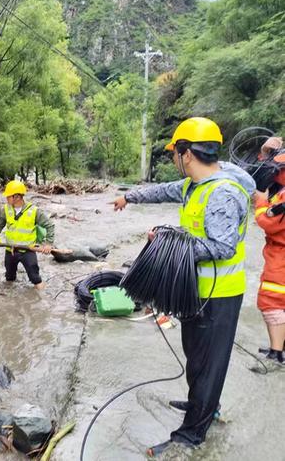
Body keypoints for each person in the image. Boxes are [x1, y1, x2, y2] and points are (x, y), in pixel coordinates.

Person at [112, 117, 256, 456]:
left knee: (208, 365)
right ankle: (203, 405)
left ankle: (191, 435)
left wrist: (167, 241)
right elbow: (163, 191)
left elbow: (222, 247)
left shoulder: (222, 193)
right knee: (196, 356)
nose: (174, 159)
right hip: (197, 291)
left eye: (174, 153)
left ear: (186, 152)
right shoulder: (195, 185)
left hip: (219, 295)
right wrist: (128, 198)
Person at [251, 138, 285, 371]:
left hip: (280, 256)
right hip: (277, 252)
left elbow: (269, 223)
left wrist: (260, 203)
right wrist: (265, 150)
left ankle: (276, 355)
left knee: (271, 301)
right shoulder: (281, 189)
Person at [0, 180, 54, 290]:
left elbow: (50, 226)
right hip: (10, 250)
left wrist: (48, 244)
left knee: (35, 279)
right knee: (9, 278)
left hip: (28, 251)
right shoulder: (4, 209)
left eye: (8, 196)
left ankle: (43, 298)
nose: (6, 199)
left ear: (17, 196)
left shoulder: (34, 211)